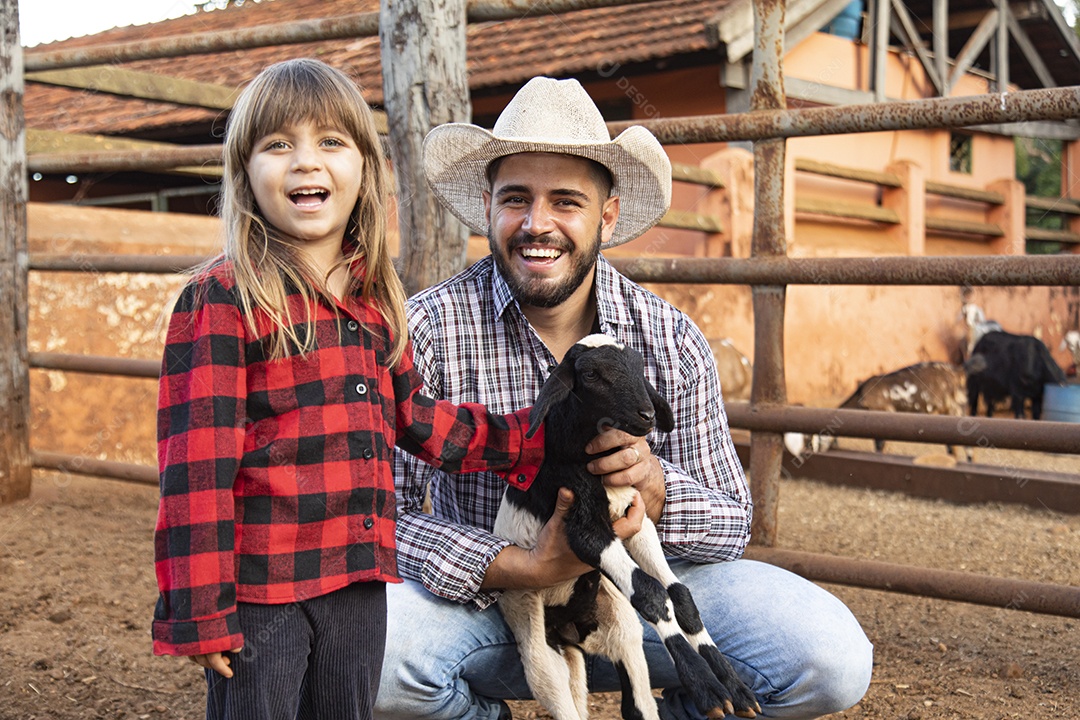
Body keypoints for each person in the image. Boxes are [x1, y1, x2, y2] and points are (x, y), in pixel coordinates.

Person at [376, 77, 873, 720]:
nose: (537, 224)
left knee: (829, 659)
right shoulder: (428, 330)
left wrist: (657, 489)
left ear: (608, 215)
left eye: (566, 201)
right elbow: (378, 511)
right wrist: (514, 564)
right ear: (486, 204)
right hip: (491, 606)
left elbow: (731, 520)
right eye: (516, 198)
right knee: (379, 658)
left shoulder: (667, 335)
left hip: (635, 592)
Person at [151, 59, 546, 720]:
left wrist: (530, 437)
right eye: (278, 145)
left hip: (359, 582)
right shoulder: (223, 299)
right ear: (245, 173)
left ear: (365, 168)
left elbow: (419, 421)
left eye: (331, 142)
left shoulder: (375, 305)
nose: (306, 162)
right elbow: (195, 472)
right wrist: (198, 609)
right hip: (262, 592)